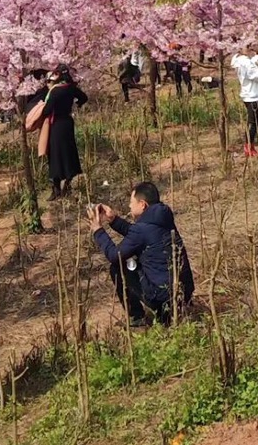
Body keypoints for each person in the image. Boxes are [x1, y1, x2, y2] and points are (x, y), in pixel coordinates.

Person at [91, 181, 196, 327]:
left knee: (118, 267)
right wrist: (113, 220)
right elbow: (140, 234)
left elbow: (114, 255)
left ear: (142, 204)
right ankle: (174, 310)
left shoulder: (142, 230)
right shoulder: (162, 217)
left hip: (163, 297)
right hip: (183, 293)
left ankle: (138, 317)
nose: (129, 206)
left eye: (131, 202)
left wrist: (98, 231)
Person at [38, 68, 88, 198]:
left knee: (54, 154)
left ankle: (56, 189)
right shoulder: (70, 88)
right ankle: (68, 182)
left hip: (56, 125)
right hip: (67, 122)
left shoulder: (55, 92)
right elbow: (84, 97)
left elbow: (47, 110)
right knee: (69, 152)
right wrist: (77, 104)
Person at [230, 50, 258, 156]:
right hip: (253, 95)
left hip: (247, 94)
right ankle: (248, 146)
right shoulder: (246, 63)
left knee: (254, 121)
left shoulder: (239, 60)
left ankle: (250, 145)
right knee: (253, 122)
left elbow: (250, 65)